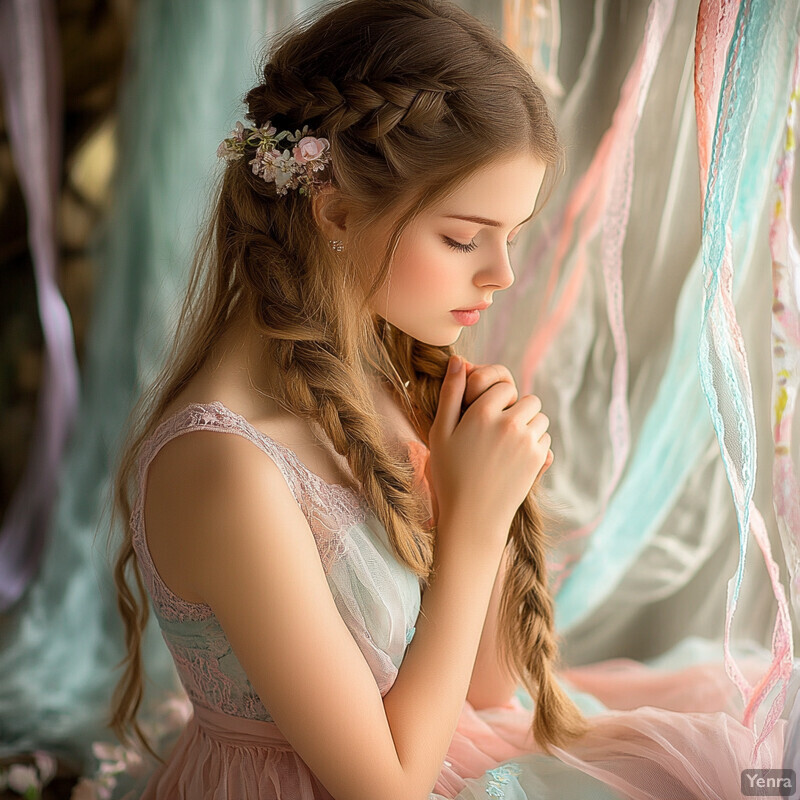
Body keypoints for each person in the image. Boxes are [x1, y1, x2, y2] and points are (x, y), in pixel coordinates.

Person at [106, 0, 787, 797]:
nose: (499, 272)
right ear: (335, 212)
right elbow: (385, 789)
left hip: (443, 749)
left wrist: (485, 499)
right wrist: (470, 524)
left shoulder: (380, 379)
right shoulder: (225, 467)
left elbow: (489, 688)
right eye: (465, 238)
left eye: (511, 234)